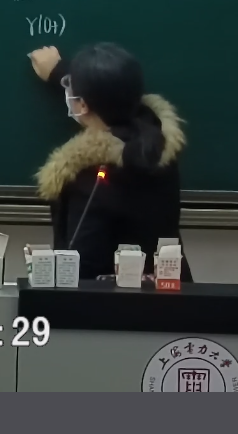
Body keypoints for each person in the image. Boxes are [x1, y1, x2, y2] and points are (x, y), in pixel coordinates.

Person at [27, 42, 193, 282]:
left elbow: (81, 265)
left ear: (83, 104)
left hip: (112, 297)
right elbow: (112, 98)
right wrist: (59, 73)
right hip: (169, 292)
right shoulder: (156, 145)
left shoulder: (92, 178)